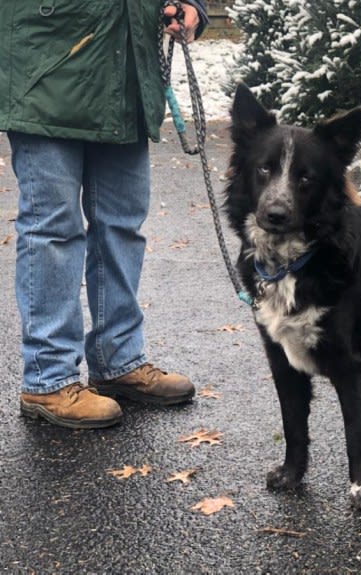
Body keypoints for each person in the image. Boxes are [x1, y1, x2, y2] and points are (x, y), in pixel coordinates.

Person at [0, 1, 209, 429]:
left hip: (127, 70)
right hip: (48, 62)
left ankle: (119, 359)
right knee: (53, 230)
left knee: (122, 224)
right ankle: (48, 378)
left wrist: (191, 6)